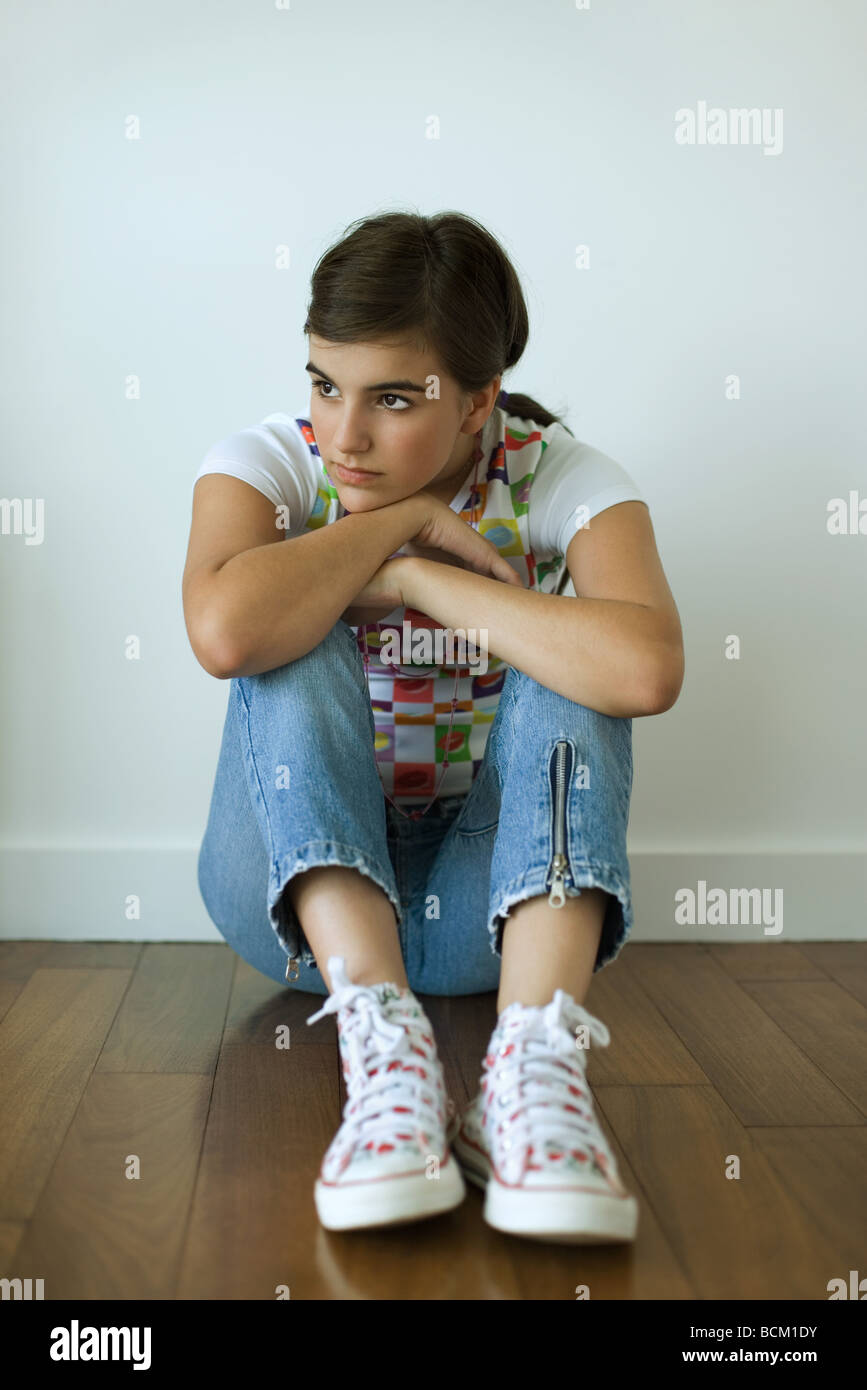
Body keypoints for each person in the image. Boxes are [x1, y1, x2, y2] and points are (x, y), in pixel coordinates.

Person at [182, 209, 684, 1245]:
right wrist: (398, 525)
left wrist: (419, 583)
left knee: (580, 652)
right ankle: (381, 1038)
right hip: (290, 910)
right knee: (284, 623)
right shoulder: (273, 463)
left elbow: (645, 667)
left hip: (482, 918)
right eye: (326, 384)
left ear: (478, 400)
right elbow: (224, 631)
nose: (345, 434)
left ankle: (533, 1073)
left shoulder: (560, 477)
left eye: (394, 399)